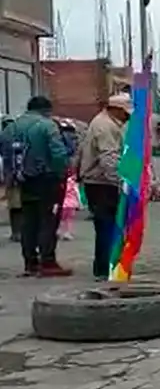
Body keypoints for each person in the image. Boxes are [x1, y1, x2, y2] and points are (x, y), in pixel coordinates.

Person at [2, 96, 71, 276]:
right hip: (47, 180)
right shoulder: (48, 126)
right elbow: (58, 153)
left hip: (23, 180)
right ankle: (47, 262)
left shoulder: (10, 128)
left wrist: (10, 178)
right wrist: (62, 173)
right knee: (48, 220)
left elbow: (5, 154)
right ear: (47, 110)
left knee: (28, 221)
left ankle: (30, 262)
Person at [78, 93, 131, 280]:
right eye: (125, 113)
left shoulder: (105, 123)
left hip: (100, 182)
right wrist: (121, 181)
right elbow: (108, 158)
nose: (127, 117)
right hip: (102, 183)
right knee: (107, 226)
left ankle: (107, 266)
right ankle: (105, 268)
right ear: (115, 110)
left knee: (107, 226)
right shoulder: (105, 126)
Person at [0, 116, 21, 241]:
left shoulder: (4, 136)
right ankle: (20, 232)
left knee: (14, 206)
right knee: (21, 205)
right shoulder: (22, 133)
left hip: (11, 175)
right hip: (23, 174)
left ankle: (16, 232)